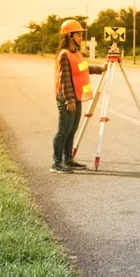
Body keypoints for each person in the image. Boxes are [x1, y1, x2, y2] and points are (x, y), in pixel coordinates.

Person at [52, 19, 107, 173]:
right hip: (67, 97)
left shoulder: (76, 54)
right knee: (63, 130)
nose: (81, 37)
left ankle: (68, 159)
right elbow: (65, 79)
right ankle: (56, 163)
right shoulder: (64, 55)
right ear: (69, 35)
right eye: (78, 34)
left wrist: (101, 68)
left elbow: (84, 68)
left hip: (76, 96)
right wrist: (69, 100)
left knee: (72, 129)